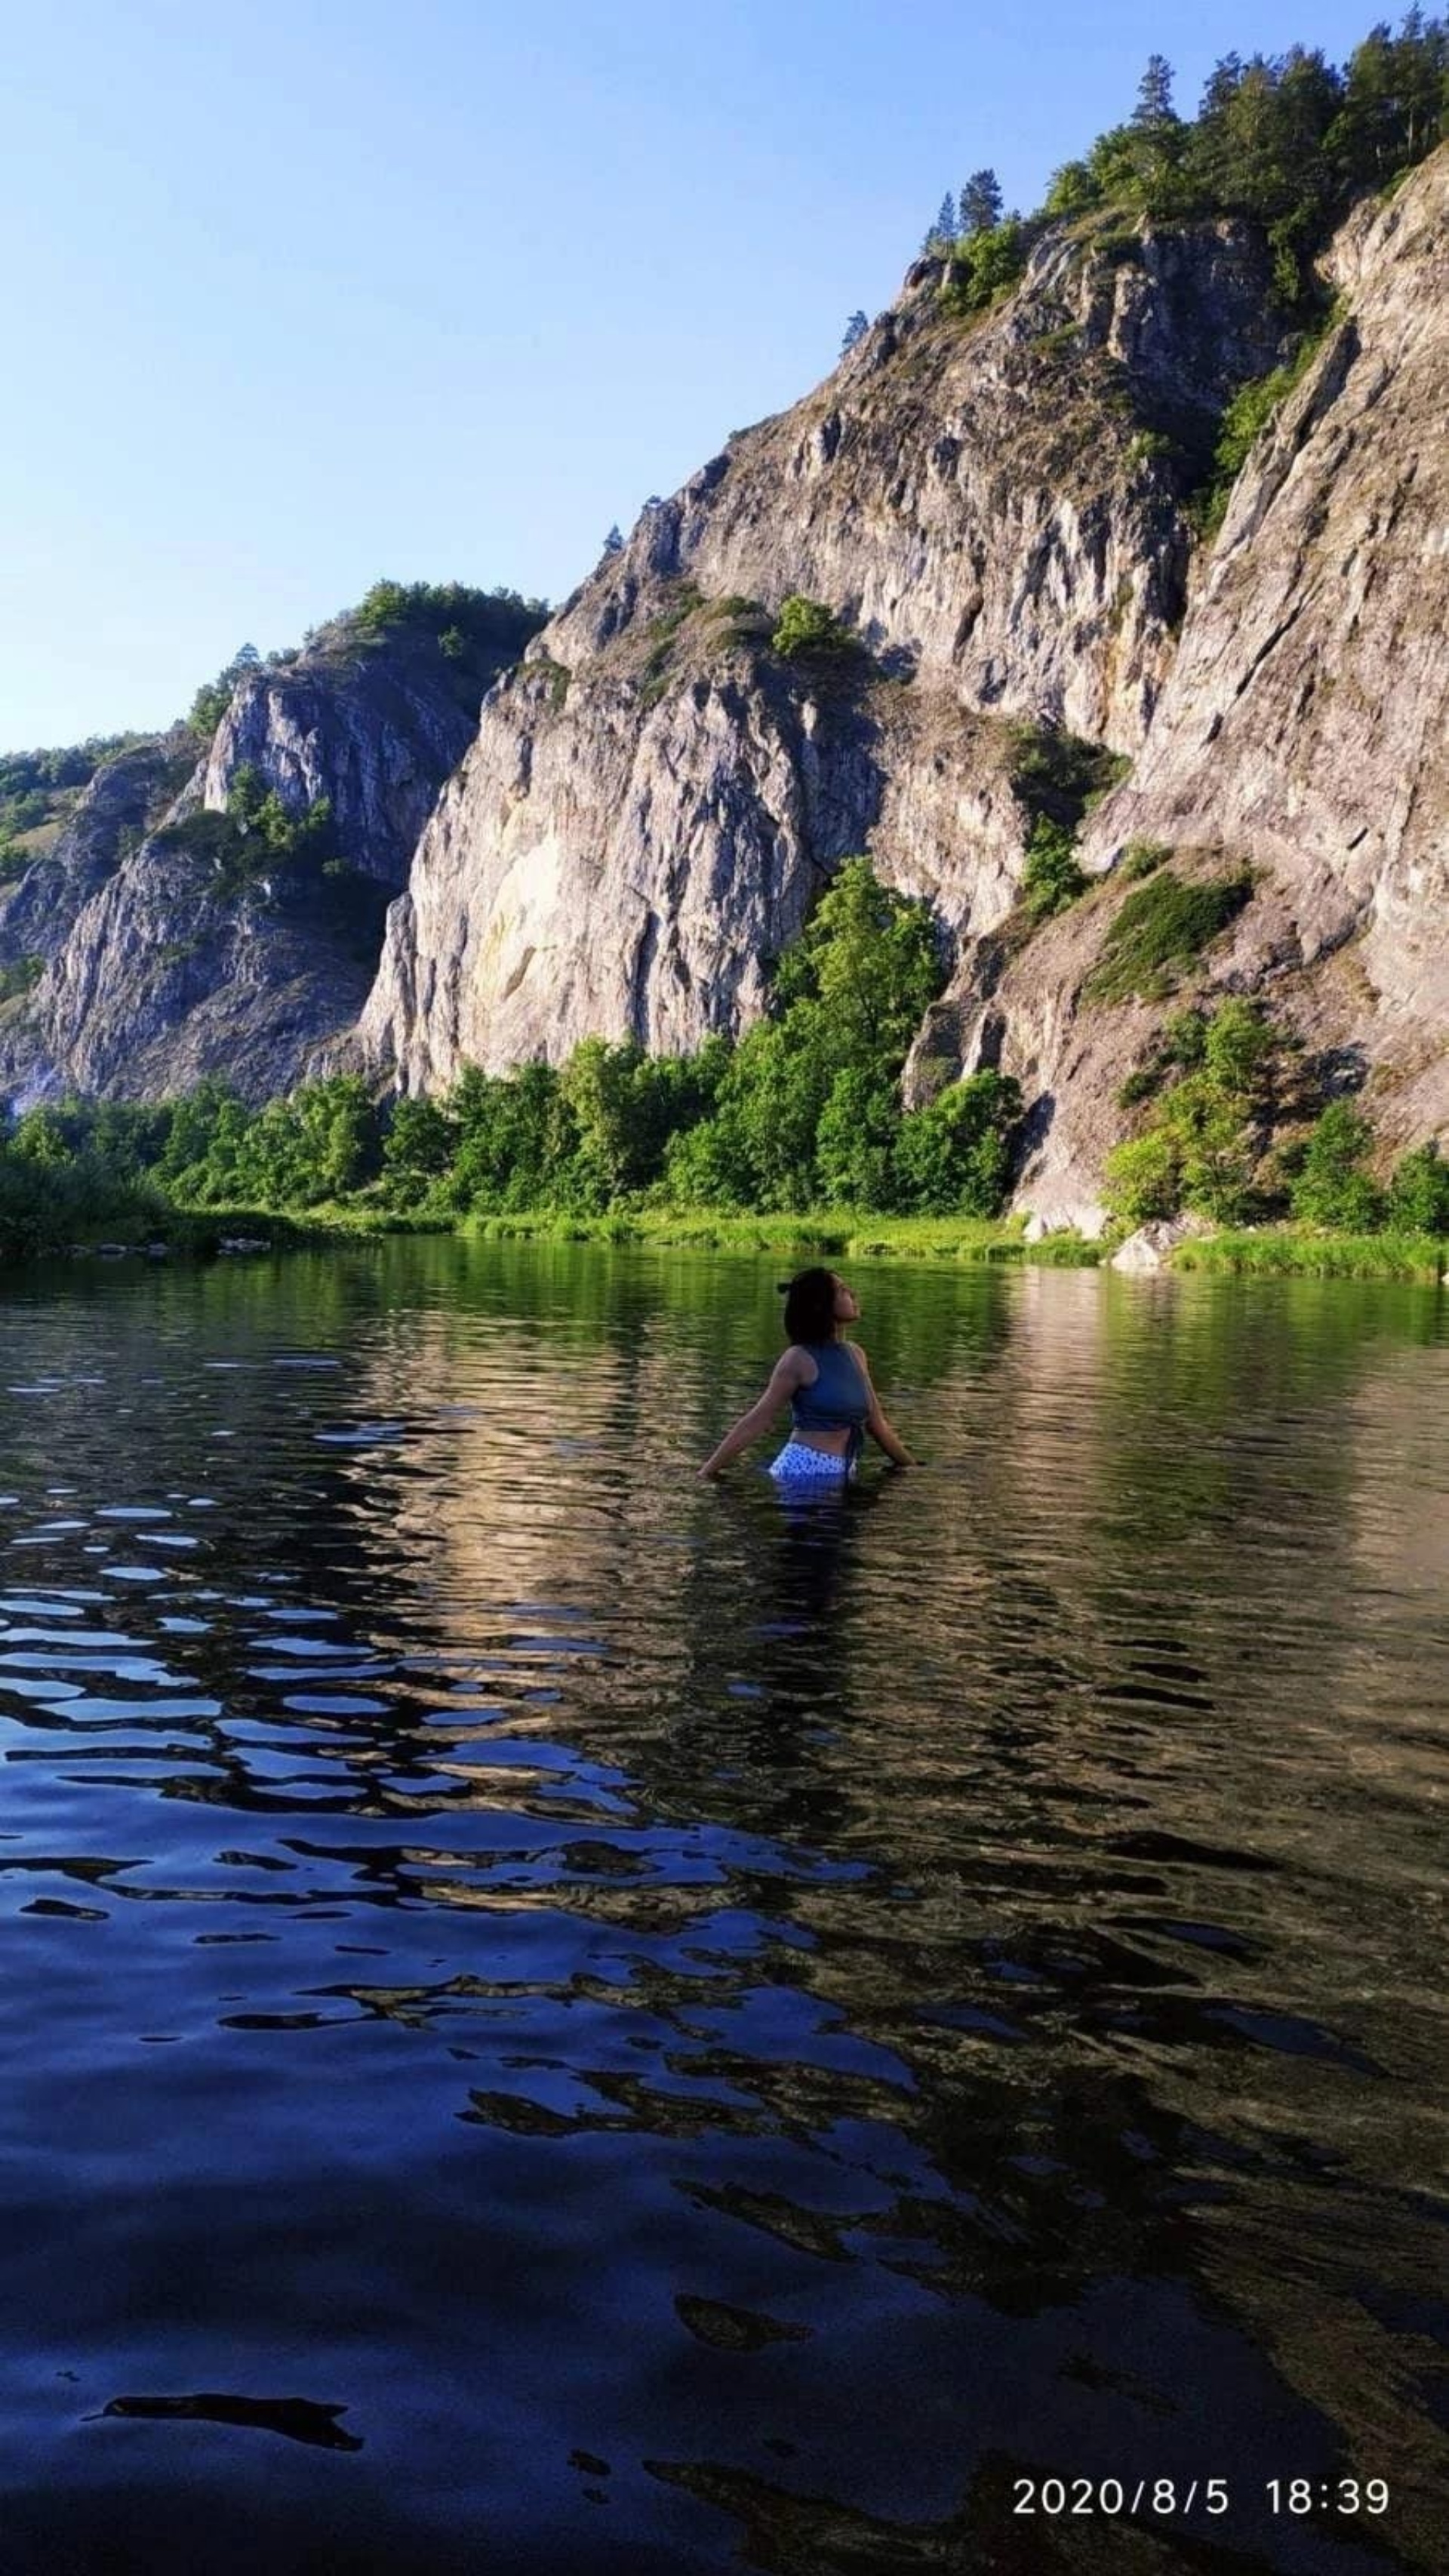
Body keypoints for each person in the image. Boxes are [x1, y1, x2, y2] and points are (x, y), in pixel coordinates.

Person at [697, 1266, 913, 1484]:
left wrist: (914, 1469)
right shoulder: (798, 1358)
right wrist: (707, 1473)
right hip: (802, 1472)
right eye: (842, 1290)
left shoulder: (856, 1354)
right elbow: (757, 1420)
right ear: (821, 1304)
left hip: (844, 1474)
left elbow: (878, 1425)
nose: (853, 1294)